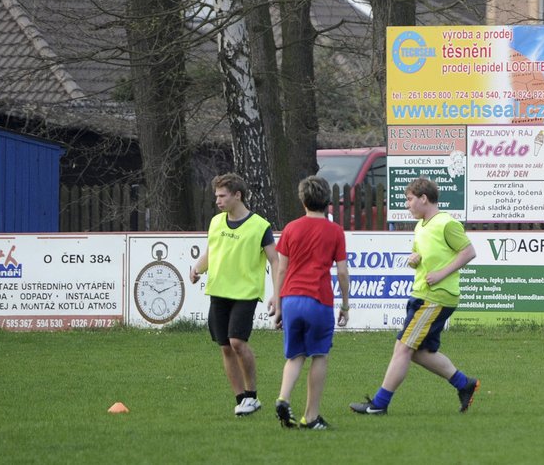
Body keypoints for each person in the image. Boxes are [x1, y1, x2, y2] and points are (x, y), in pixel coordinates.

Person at [349, 177, 479, 415]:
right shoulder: (421, 226)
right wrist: (414, 259)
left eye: (409, 199)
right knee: (420, 353)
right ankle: (464, 384)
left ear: (424, 198)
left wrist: (441, 273)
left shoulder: (446, 223)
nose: (407, 205)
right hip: (422, 294)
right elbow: (420, 254)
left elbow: (469, 252)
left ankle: (379, 404)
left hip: (436, 297)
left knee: (402, 348)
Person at [190, 173, 279, 417]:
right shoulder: (216, 222)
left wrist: (277, 294)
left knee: (238, 342)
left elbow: (275, 261)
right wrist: (198, 268)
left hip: (245, 293)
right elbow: (211, 252)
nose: (217, 201)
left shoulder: (260, 226)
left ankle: (252, 395)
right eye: (216, 196)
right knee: (225, 347)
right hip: (218, 292)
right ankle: (241, 399)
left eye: (222, 196)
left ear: (237, 195)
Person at [271, 176, 350, 430]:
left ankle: (283, 398)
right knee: (319, 355)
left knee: (295, 355)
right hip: (319, 299)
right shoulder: (335, 231)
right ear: (327, 201)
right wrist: (345, 305)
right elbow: (342, 272)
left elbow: (281, 270)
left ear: (303, 200)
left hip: (292, 298)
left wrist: (280, 303)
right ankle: (311, 416)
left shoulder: (291, 228)